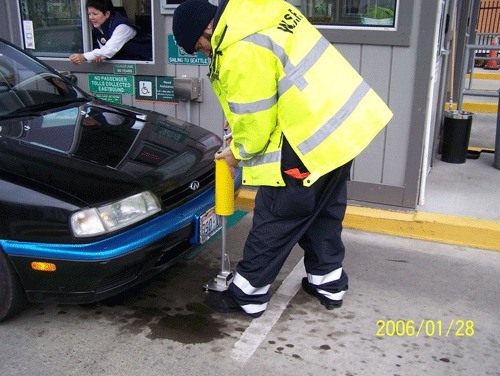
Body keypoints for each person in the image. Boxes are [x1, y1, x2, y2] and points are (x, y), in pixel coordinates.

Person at [173, 0, 393, 318]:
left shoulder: (238, 45)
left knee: (277, 215)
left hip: (307, 139)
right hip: (340, 130)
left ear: (208, 28)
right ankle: (328, 282)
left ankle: (248, 294)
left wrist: (236, 152)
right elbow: (280, 83)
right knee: (322, 212)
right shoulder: (263, 11)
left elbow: (257, 122)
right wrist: (242, 122)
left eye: (202, 47)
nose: (207, 54)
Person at [70, 0, 152, 64]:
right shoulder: (98, 26)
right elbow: (103, 51)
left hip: (148, 61)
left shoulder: (122, 27)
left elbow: (108, 50)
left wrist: (84, 57)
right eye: (89, 14)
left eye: (95, 14)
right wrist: (97, 56)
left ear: (107, 14)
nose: (91, 18)